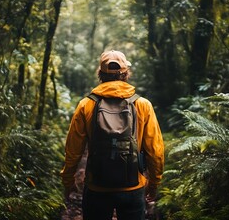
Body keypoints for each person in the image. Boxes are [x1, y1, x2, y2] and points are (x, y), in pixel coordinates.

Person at [60, 50, 164, 220]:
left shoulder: (86, 105)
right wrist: (154, 183)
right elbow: (155, 151)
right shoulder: (142, 105)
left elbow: (73, 150)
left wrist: (68, 181)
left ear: (100, 74)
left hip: (96, 188)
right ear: (125, 74)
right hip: (133, 187)